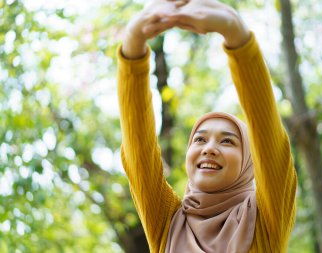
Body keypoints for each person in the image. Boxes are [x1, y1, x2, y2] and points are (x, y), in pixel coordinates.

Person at [116, 0, 297, 252]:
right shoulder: (167, 223)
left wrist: (236, 34)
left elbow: (269, 139)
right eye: (199, 139)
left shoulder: (265, 220)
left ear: (249, 161)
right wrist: (134, 42)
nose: (209, 148)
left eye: (227, 141)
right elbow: (139, 154)